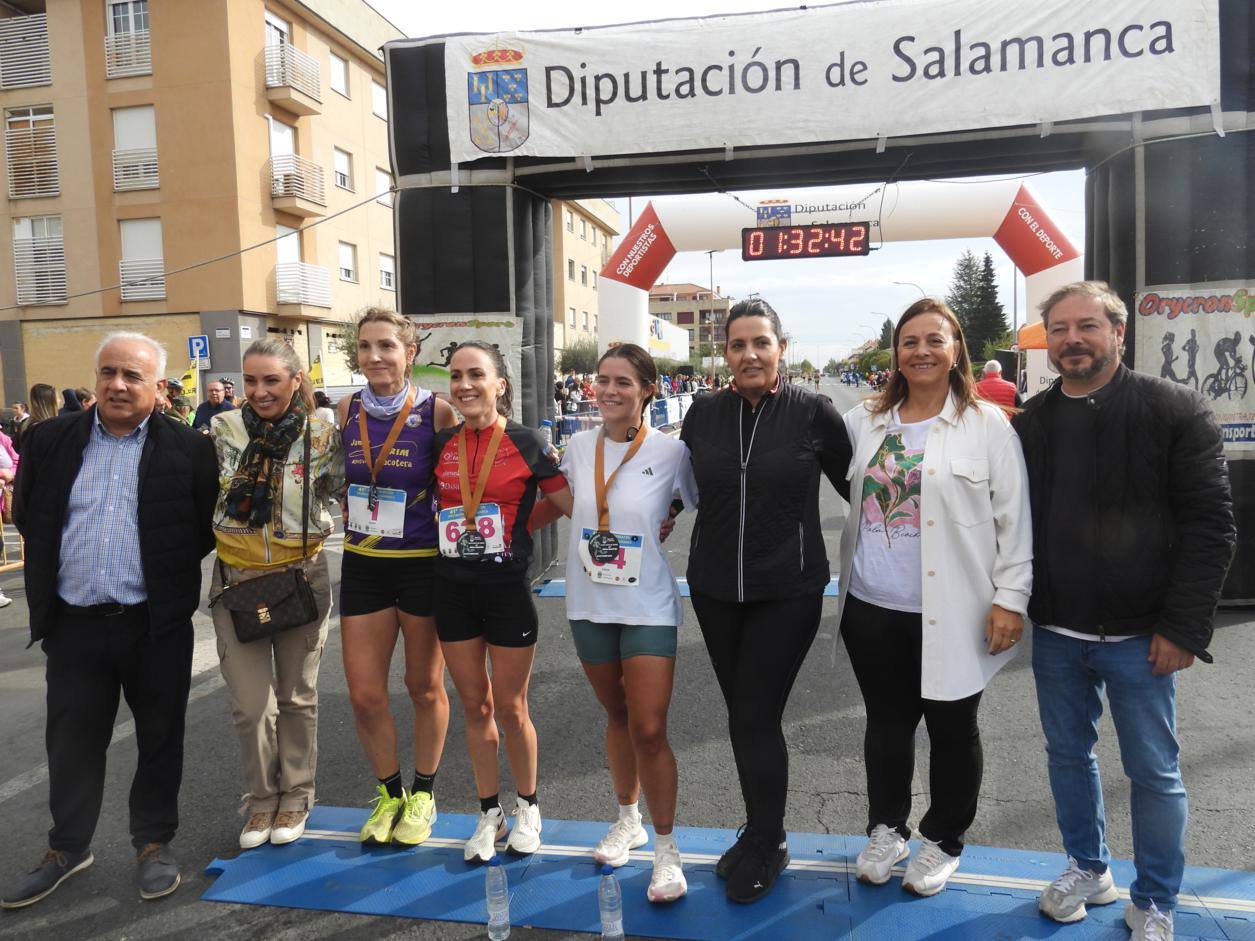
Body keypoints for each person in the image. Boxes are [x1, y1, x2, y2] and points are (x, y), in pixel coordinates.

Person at [1014, 282, 1235, 941]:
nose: (1071, 339)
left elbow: (1210, 525)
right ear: (1047, 340)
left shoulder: (1174, 409)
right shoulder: (1031, 422)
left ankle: (1155, 899)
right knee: (1066, 755)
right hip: (1056, 630)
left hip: (1144, 636)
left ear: (1118, 333)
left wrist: (1182, 627)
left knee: (1154, 771)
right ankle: (1087, 867)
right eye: (1058, 328)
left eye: (1086, 325)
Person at [1, 333, 217, 909]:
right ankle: (67, 848)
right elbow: (28, 514)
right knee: (71, 742)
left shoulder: (189, 449)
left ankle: (152, 844)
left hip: (154, 626)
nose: (118, 385)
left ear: (158, 387)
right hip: (74, 624)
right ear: (95, 379)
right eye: (109, 373)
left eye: (133, 376)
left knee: (159, 737)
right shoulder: (48, 440)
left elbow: (196, 530)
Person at [837, 299, 1032, 897]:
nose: (920, 351)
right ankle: (887, 829)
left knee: (952, 727)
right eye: (909, 341)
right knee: (887, 725)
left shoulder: (987, 425)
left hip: (956, 608)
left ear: (956, 351)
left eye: (934, 340)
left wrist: (1011, 598)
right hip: (871, 605)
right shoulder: (864, 421)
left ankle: (943, 839)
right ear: (895, 352)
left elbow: (1015, 518)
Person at [678, 298, 852, 903]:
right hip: (715, 588)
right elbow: (683, 486)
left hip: (789, 589)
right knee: (745, 717)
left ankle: (768, 841)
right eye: (737, 345)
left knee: (753, 714)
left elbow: (865, 490)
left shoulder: (814, 412)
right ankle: (758, 831)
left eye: (761, 343)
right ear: (724, 353)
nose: (749, 354)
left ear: (782, 347)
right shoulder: (702, 413)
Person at [548, 344, 698, 903]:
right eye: (603, 381)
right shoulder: (577, 444)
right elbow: (562, 505)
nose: (609, 391)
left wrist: (669, 517)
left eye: (624, 383)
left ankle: (666, 850)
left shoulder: (672, 450)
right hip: (588, 603)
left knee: (650, 729)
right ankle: (627, 818)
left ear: (648, 390)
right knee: (616, 715)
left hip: (649, 605)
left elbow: (691, 501)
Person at [432, 342, 572, 863]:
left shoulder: (527, 442)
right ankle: (489, 813)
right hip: (451, 588)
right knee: (476, 706)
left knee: (512, 708)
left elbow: (565, 503)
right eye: (457, 376)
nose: (465, 385)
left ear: (500, 384)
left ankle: (529, 805)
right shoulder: (441, 443)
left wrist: (516, 533)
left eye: (476, 375)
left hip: (506, 589)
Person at [208, 338, 343, 850]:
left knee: (297, 697)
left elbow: (342, 486)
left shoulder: (322, 434)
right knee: (251, 705)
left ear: (295, 381)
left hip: (300, 578)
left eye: (270, 380)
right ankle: (262, 800)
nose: (259, 391)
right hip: (236, 581)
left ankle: (297, 796)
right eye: (250, 380)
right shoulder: (222, 430)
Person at [337, 309, 456, 848]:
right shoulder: (344, 409)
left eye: (387, 346)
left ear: (411, 353)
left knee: (423, 686)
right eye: (365, 347)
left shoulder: (437, 412)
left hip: (421, 563)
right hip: (363, 563)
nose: (375, 356)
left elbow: (464, 480)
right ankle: (390, 793)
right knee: (364, 695)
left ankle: (425, 790)